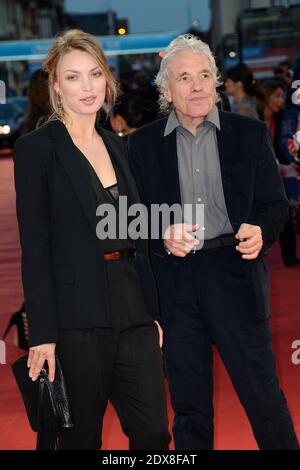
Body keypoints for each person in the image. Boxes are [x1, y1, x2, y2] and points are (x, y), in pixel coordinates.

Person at [128, 34, 299, 450]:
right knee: (189, 407)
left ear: (217, 82)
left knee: (263, 397)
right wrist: (161, 232)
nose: (198, 85)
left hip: (234, 273)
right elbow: (130, 217)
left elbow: (275, 207)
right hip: (176, 282)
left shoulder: (249, 133)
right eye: (185, 77)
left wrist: (262, 229)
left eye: (205, 75)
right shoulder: (141, 145)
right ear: (166, 91)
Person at [13, 29, 169, 450]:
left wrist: (151, 311)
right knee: (81, 438)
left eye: (95, 74)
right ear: (55, 84)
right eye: (73, 76)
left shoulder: (120, 147)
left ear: (108, 80)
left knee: (154, 432)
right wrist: (42, 334)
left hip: (133, 308)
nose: (87, 87)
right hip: (75, 316)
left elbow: (135, 230)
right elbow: (37, 247)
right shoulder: (37, 150)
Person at [257, 80, 300, 267]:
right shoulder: (252, 116)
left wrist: (289, 164)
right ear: (265, 96)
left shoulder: (279, 117)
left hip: (273, 172)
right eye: (277, 96)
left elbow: (278, 148)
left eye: (283, 96)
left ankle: (290, 256)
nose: (281, 101)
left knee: (283, 210)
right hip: (254, 175)